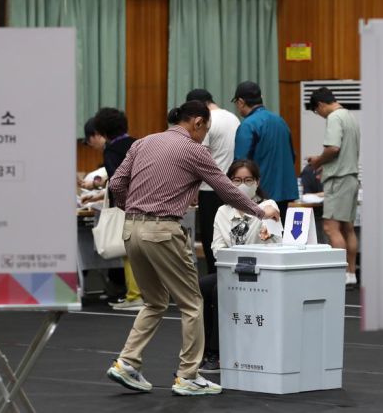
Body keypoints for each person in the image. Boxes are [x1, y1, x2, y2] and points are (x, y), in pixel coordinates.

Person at [106, 101, 280, 396]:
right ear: (197, 122)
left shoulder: (143, 142)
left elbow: (116, 183)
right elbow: (225, 189)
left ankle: (127, 362)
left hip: (131, 228)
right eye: (206, 130)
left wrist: (132, 207)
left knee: (154, 302)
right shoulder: (194, 150)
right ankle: (188, 375)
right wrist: (260, 211)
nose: (205, 136)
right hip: (163, 231)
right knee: (192, 303)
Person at [198, 159, 281, 374]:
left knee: (219, 290)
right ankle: (203, 348)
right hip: (231, 270)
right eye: (236, 180)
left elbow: (274, 243)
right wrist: (233, 261)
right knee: (200, 286)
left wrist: (267, 230)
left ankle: (217, 353)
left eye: (248, 180)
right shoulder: (222, 212)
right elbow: (217, 248)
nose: (242, 185)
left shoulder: (267, 206)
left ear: (257, 182)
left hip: (258, 272)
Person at [83, 112, 144, 310]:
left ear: (102, 132)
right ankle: (147, 294)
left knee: (129, 252)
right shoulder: (138, 144)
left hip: (128, 205)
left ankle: (135, 296)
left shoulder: (111, 151)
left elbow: (117, 181)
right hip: (147, 202)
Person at [306, 87, 361, 286]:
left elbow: (333, 148)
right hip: (351, 177)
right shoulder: (349, 116)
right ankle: (350, 274)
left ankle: (339, 275)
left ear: (320, 105)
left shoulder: (334, 118)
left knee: (330, 228)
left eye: (316, 111)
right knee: (347, 228)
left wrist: (318, 162)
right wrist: (323, 162)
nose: (319, 115)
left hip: (339, 179)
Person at [185, 88, 241, 275]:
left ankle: (214, 286)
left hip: (210, 190)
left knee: (212, 242)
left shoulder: (206, 121)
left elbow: (201, 158)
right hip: (233, 186)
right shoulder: (232, 118)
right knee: (232, 238)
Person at [232, 81, 298, 223]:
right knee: (280, 237)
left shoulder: (248, 125)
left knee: (261, 239)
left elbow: (240, 165)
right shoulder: (280, 121)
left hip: (261, 195)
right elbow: (292, 156)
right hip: (285, 192)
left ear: (241, 102)